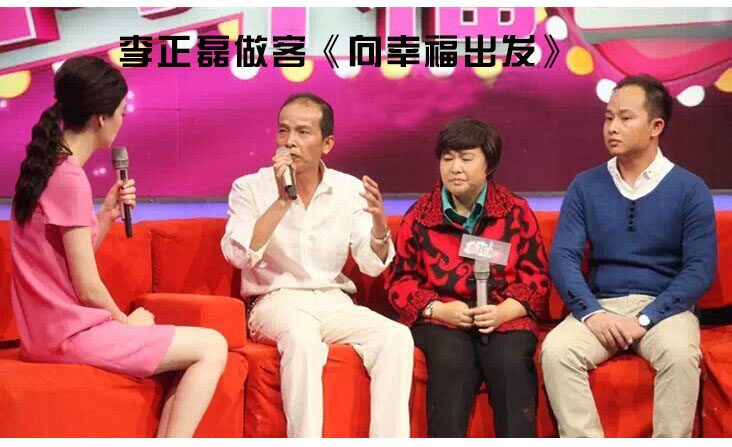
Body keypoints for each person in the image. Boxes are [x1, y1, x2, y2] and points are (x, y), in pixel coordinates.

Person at [9, 55, 228, 438]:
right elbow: (88, 288)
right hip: (67, 337)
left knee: (199, 346)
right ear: (100, 118)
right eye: (121, 112)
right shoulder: (70, 179)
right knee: (213, 345)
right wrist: (127, 323)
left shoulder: (45, 168)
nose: (123, 120)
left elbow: (60, 263)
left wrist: (107, 215)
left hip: (47, 334)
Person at [220, 93, 414, 438]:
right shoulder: (249, 187)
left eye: (302, 132)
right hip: (276, 300)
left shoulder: (349, 189)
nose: (290, 141)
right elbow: (239, 255)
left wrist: (380, 228)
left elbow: (371, 265)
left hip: (333, 300)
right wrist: (282, 200)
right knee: (303, 340)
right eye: (283, 131)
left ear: (327, 143)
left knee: (396, 337)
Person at [541, 74, 717, 437]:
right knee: (557, 351)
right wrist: (593, 313)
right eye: (608, 117)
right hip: (601, 305)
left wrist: (647, 317)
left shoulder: (690, 188)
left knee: (680, 355)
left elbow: (699, 269)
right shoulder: (585, 185)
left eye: (625, 118)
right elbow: (563, 258)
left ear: (656, 127)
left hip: (664, 309)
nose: (612, 127)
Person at [386, 117, 550, 437]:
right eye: (447, 158)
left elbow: (536, 278)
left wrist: (504, 311)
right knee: (451, 361)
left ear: (489, 164)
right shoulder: (420, 215)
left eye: (466, 158)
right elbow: (400, 281)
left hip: (504, 316)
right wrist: (438, 309)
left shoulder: (515, 211)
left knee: (510, 361)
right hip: (442, 319)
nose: (455, 168)